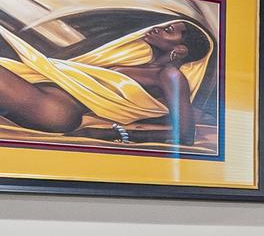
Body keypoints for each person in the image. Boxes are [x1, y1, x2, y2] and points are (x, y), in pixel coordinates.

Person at [0, 19, 212, 147]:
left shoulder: (171, 76)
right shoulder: (138, 62)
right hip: (44, 99)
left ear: (181, 50)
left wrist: (110, 133)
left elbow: (184, 135)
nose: (159, 28)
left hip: (54, 110)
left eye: (168, 30)